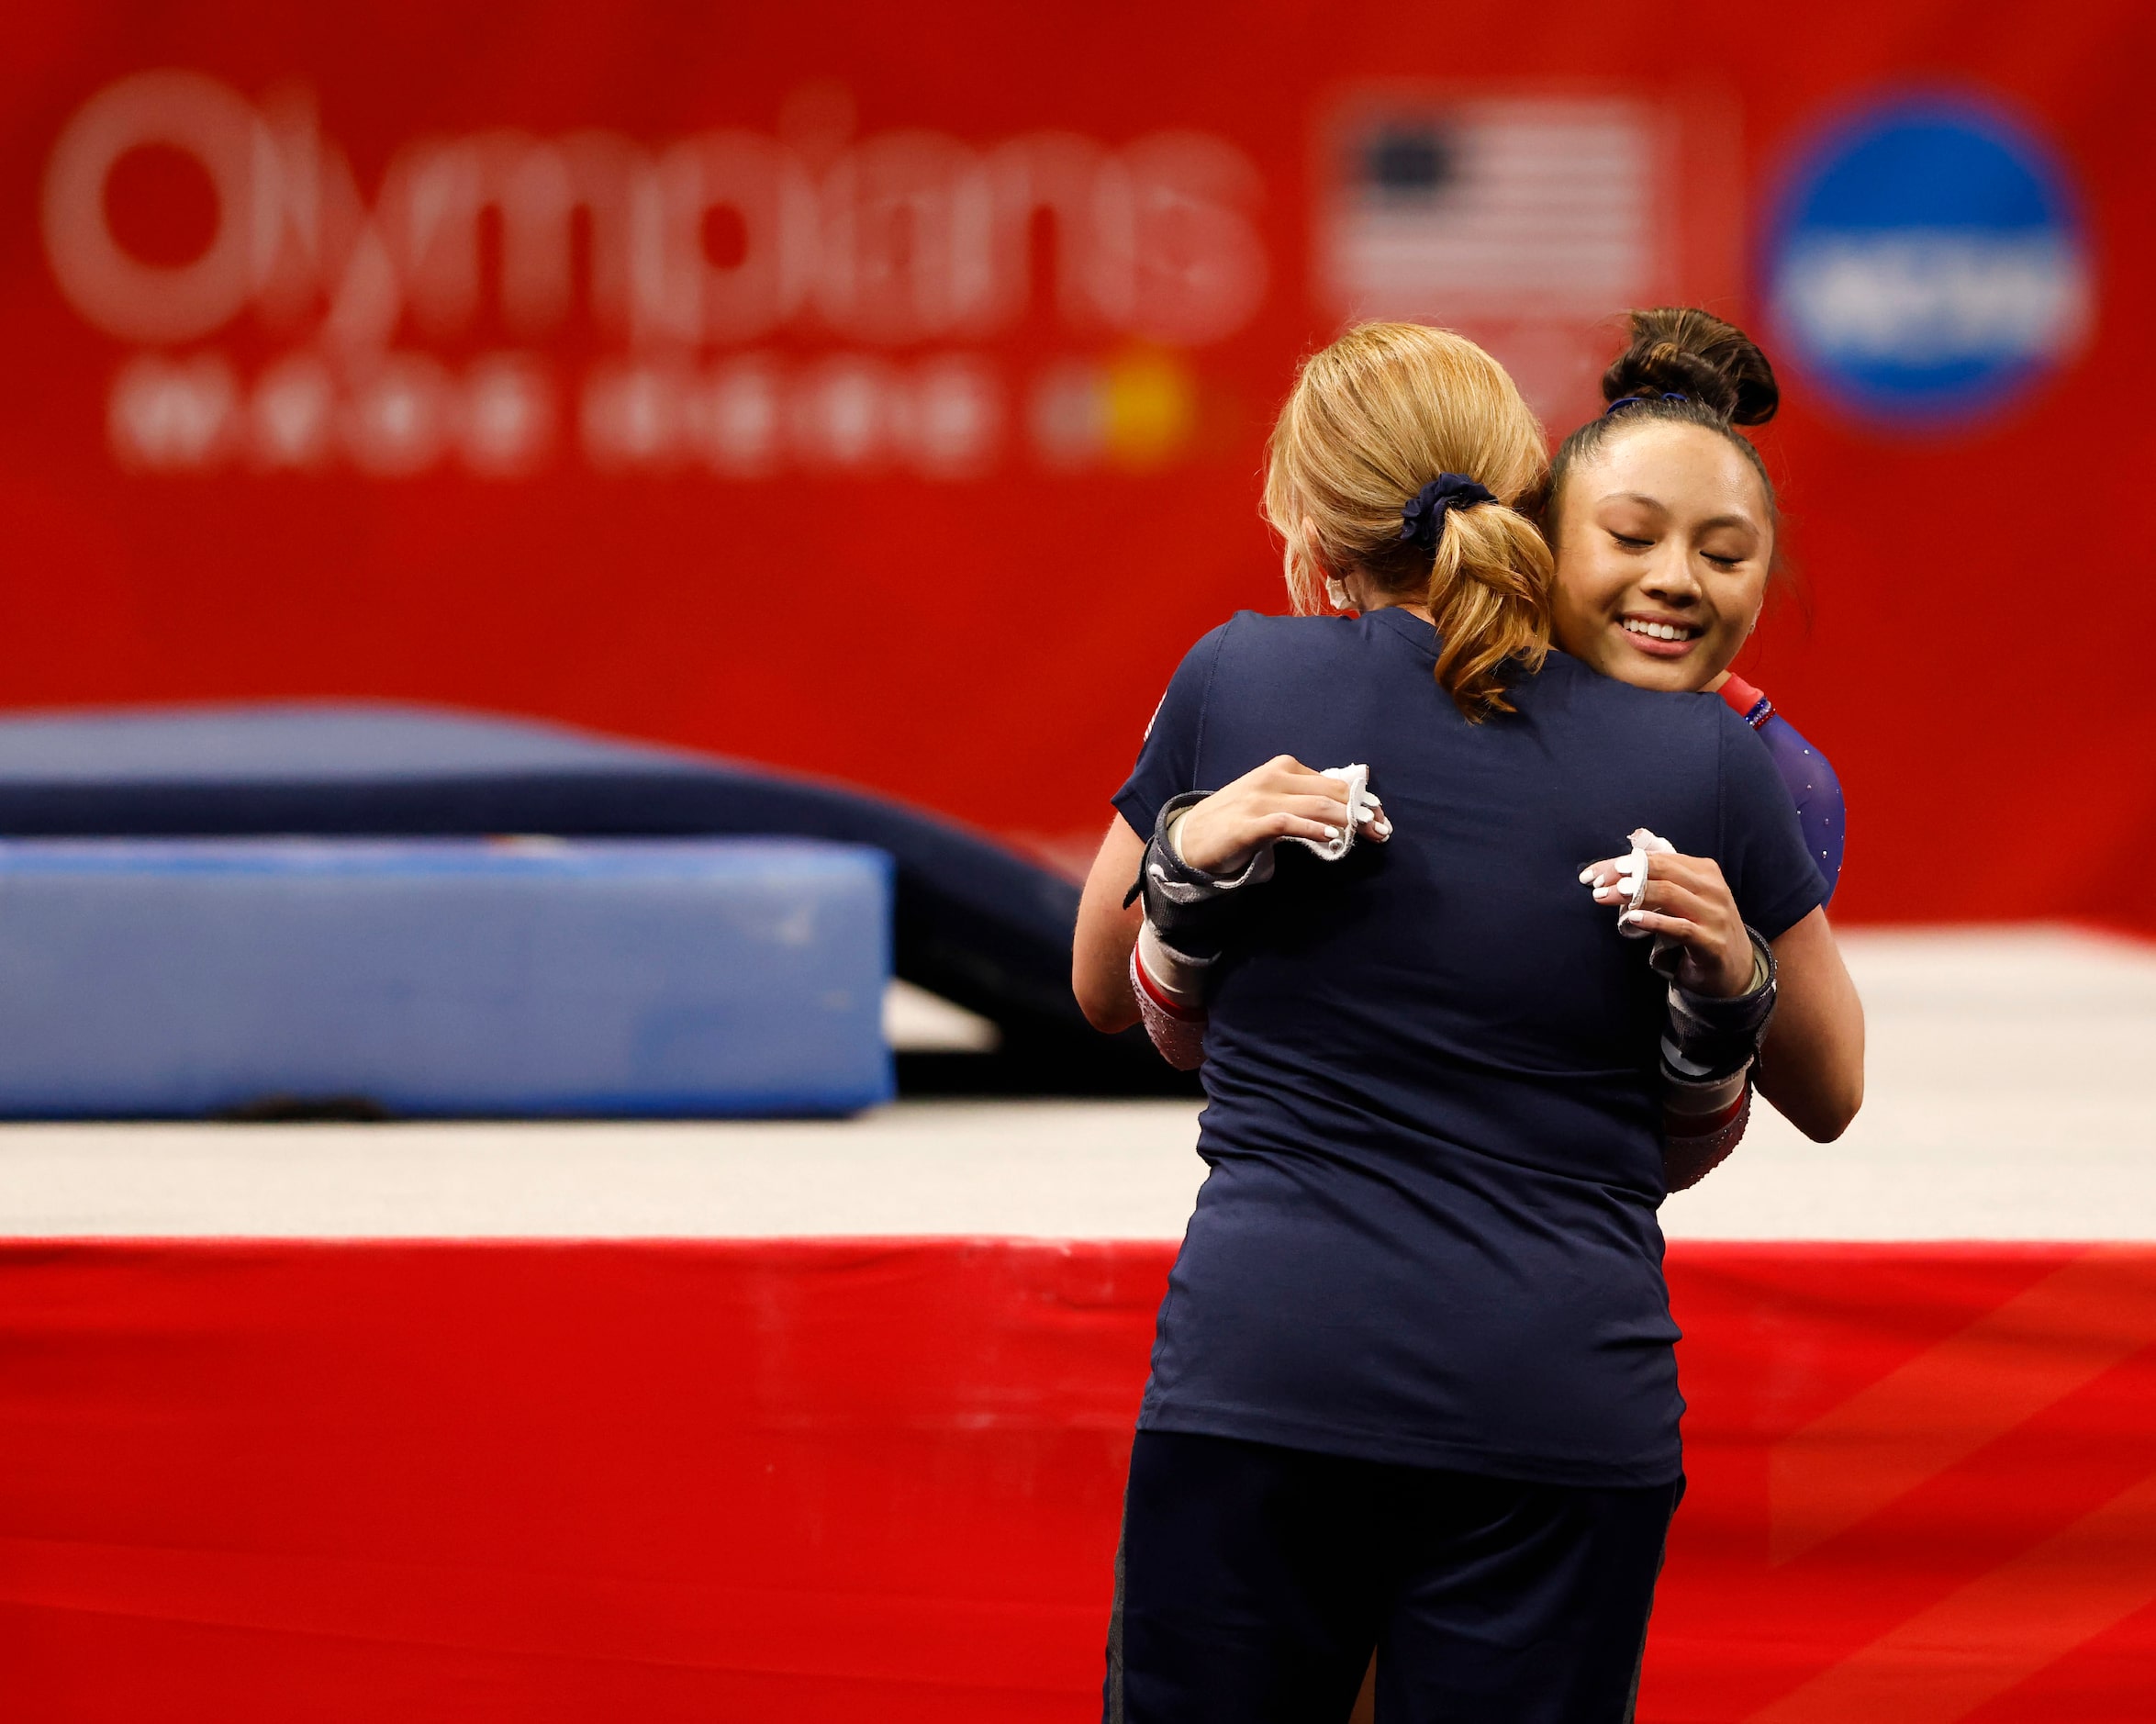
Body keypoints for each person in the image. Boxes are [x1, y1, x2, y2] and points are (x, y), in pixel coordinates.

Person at [1072, 322, 1852, 1723]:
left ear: (1305, 528)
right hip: (1562, 1394)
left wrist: (1180, 860)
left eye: (1719, 555)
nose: (1677, 582)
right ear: (1534, 512)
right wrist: (1731, 1000)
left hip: (1267, 1363)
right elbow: (1774, 1106)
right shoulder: (1714, 754)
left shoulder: (1241, 677)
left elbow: (1108, 991)